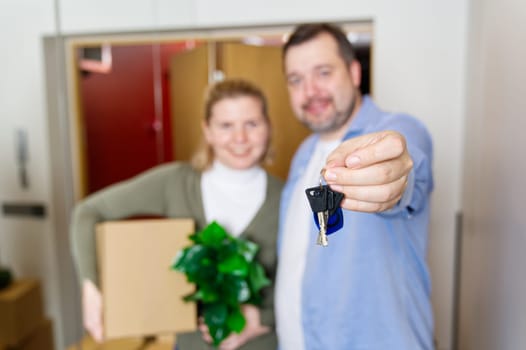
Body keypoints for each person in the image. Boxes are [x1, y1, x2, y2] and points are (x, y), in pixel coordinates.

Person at [70, 79, 282, 350]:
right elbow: (87, 212)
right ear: (207, 130)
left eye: (251, 124)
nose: (240, 138)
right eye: (226, 126)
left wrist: (262, 318)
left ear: (268, 127)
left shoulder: (286, 196)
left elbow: (306, 281)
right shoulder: (175, 183)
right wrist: (92, 288)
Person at [274, 23, 434, 349]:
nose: (310, 91)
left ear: (354, 73)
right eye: (296, 80)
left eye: (323, 72)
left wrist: (395, 179)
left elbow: (405, 166)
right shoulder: (303, 154)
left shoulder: (398, 130)